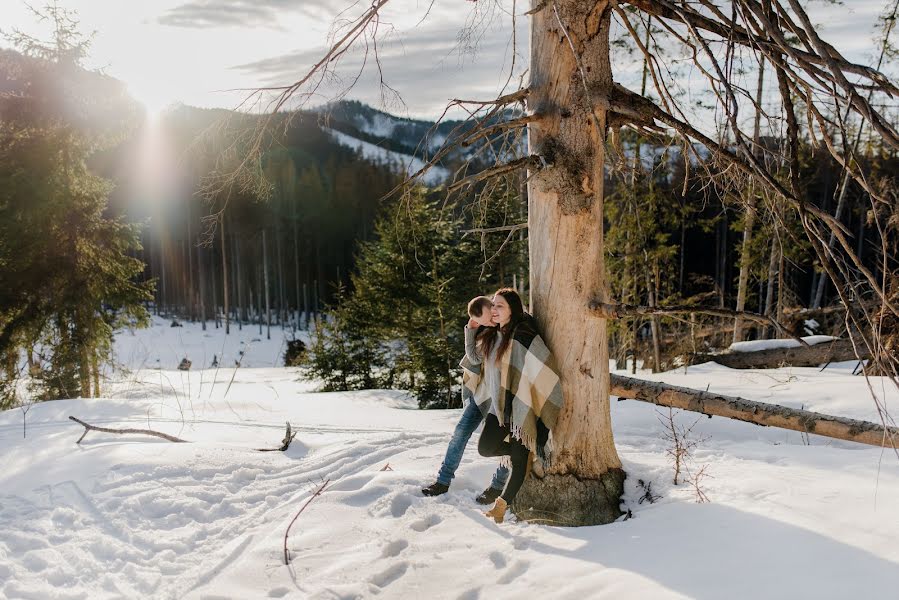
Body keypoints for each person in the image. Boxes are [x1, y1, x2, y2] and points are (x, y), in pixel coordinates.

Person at [467, 288, 564, 524]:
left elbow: (546, 367)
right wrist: (471, 329)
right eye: (493, 305)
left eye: (500, 306)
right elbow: (474, 359)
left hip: (521, 408)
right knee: (486, 448)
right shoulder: (491, 335)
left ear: (512, 309)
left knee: (519, 464)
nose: (494, 309)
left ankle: (500, 508)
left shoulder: (523, 336)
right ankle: (527, 450)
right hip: (499, 410)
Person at [421, 296, 510, 504]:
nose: (491, 322)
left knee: (507, 441)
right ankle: (443, 481)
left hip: (504, 398)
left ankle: (497, 486)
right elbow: (474, 358)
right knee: (460, 433)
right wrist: (471, 329)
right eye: (485, 322)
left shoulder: (510, 329)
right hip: (483, 396)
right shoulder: (486, 333)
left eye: (490, 318)